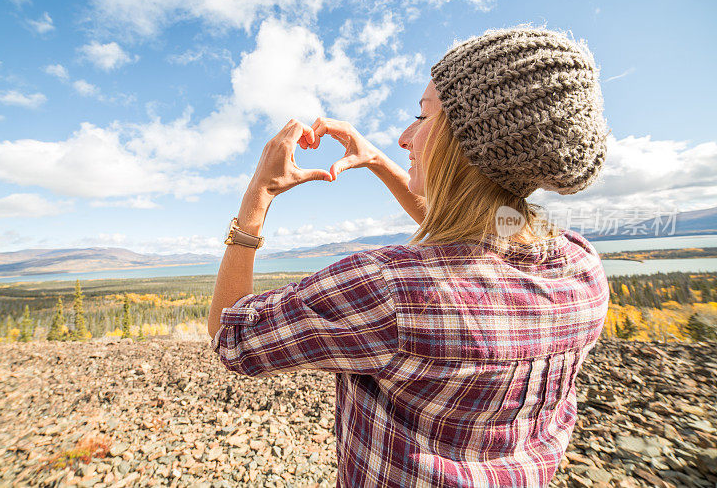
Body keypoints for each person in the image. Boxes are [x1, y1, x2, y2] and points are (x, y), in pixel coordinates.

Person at [208, 25, 611, 487]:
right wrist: (378, 161)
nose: (404, 137)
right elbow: (472, 241)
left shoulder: (391, 288)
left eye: (423, 117)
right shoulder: (581, 271)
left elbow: (231, 337)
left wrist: (257, 197)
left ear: (466, 140)